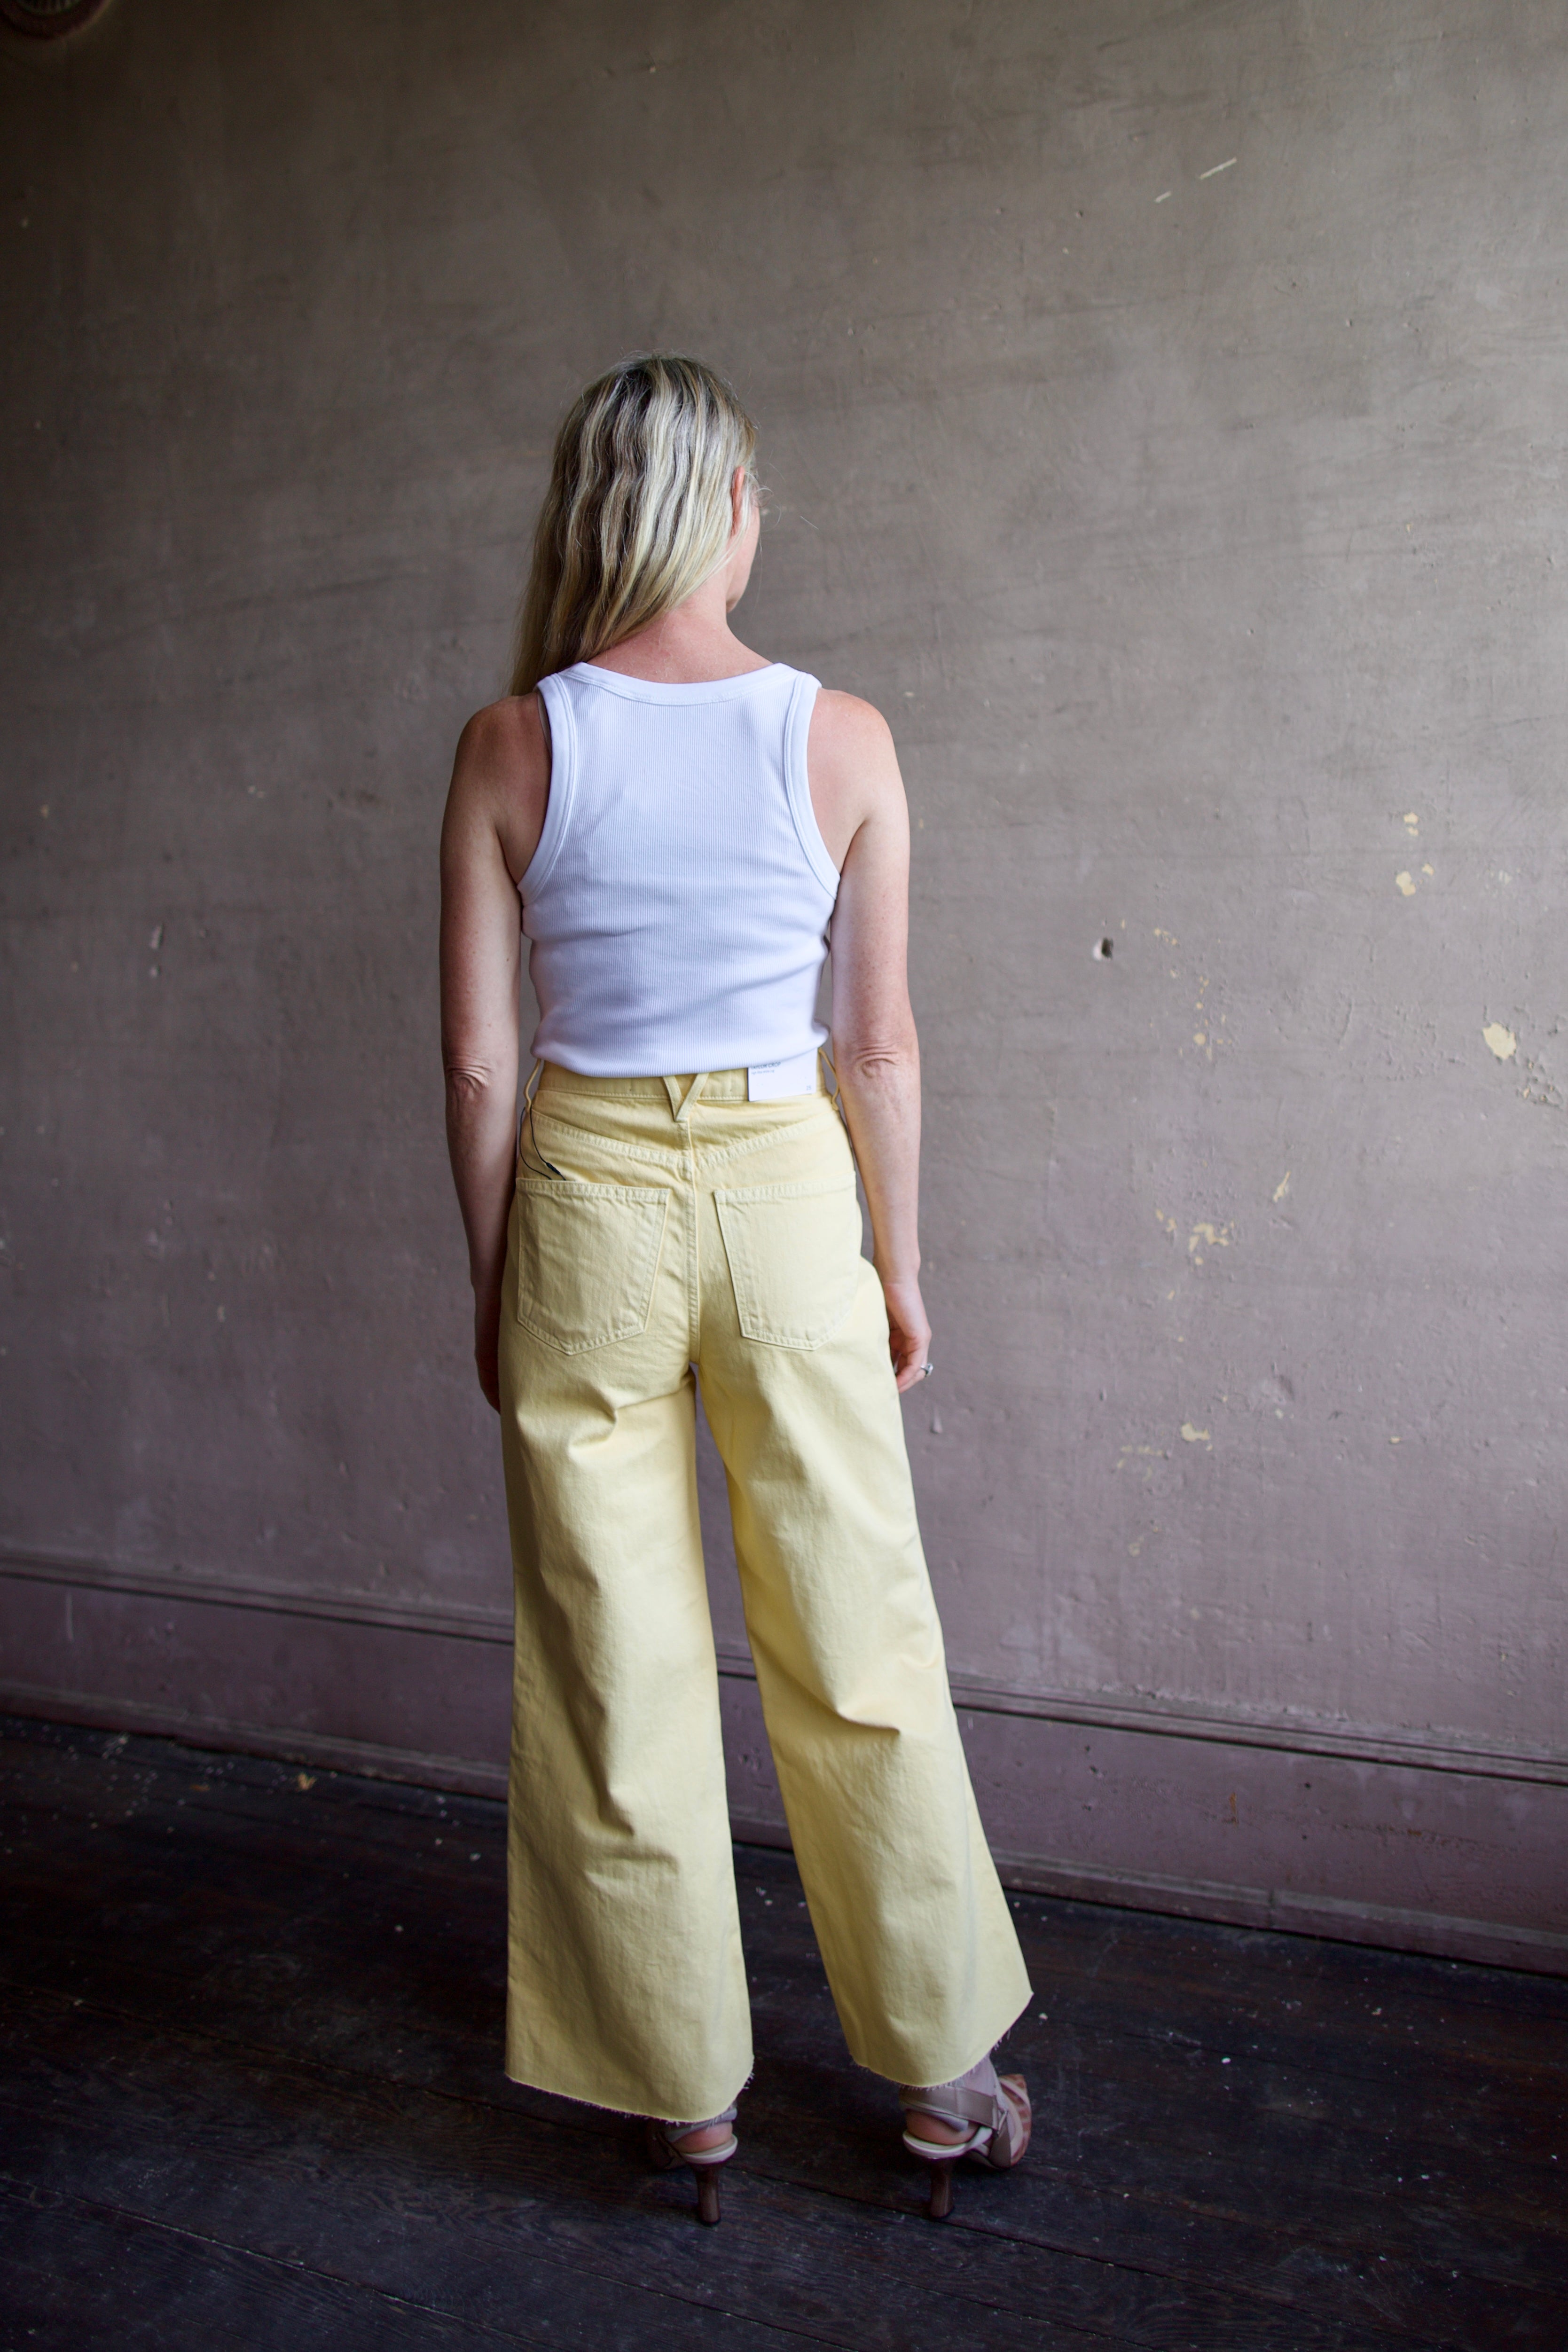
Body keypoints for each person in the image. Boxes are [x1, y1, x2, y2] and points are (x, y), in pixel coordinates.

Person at [439, 354, 1031, 2225]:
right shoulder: (840, 734)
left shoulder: (510, 743)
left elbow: (479, 1066)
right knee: (856, 1633)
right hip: (787, 1196)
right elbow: (884, 1051)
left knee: (615, 1657)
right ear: (734, 510)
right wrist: (899, 1265)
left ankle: (681, 2094)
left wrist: (495, 1279)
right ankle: (944, 2080)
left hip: (592, 1198)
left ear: (587, 514)